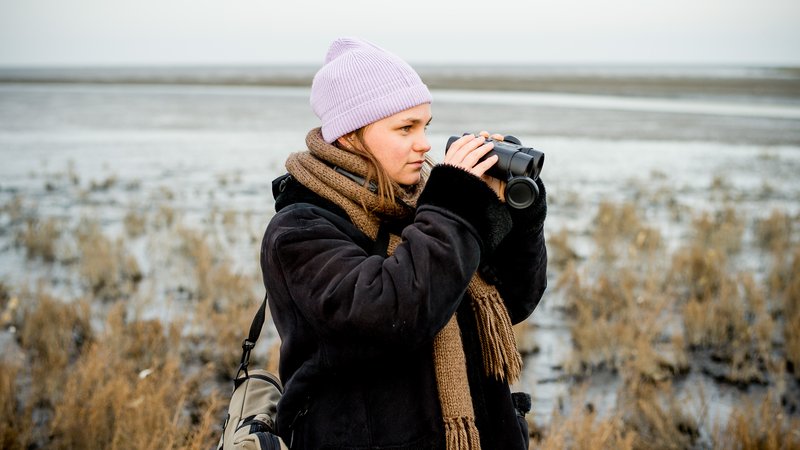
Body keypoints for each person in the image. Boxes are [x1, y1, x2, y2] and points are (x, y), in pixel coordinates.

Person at [260, 37, 548, 450]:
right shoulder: (300, 229)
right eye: (405, 128)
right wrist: (454, 203)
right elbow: (391, 314)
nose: (424, 144)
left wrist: (515, 215)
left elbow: (514, 300)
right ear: (348, 136)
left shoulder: (427, 205)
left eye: (425, 125)